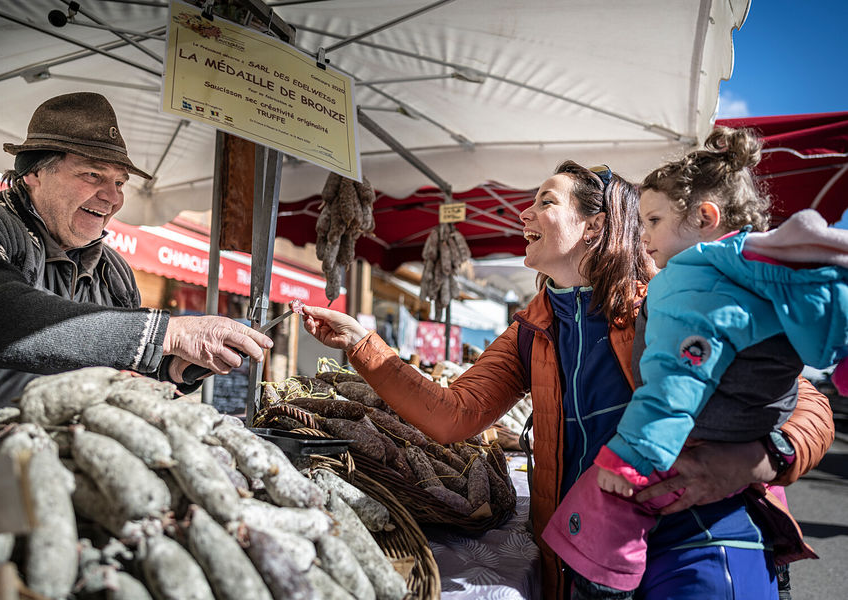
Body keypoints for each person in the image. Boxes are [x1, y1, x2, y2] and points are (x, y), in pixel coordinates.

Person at [297, 159, 834, 599]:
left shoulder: (670, 301)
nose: (523, 214)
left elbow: (805, 404)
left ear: (595, 226)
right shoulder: (534, 325)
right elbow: (451, 414)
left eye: (545, 201)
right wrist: (361, 344)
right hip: (594, 556)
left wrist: (754, 460)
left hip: (700, 544)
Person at [543, 128, 847, 599]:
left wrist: (758, 458)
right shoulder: (756, 272)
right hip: (728, 441)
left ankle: (606, 585)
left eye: (654, 221)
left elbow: (676, 383)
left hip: (714, 516)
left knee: (606, 498)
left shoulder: (686, 285)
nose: (644, 238)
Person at [0, 92, 273, 440]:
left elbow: (122, 374)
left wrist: (174, 367)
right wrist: (169, 333)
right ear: (35, 172)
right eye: (92, 175)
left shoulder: (114, 271)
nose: (113, 196)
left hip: (69, 466)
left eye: (119, 182)